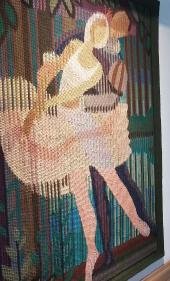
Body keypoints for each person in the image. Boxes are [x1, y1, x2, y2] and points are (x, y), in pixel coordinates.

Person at [0, 12, 149, 281]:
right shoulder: (71, 48)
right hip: (66, 125)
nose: (97, 34)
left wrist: (48, 102)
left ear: (102, 37)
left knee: (111, 177)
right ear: (91, 28)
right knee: (81, 193)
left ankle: (136, 219)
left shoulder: (94, 70)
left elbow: (70, 94)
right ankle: (92, 250)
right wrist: (37, 103)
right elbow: (51, 71)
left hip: (83, 124)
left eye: (102, 32)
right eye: (97, 29)